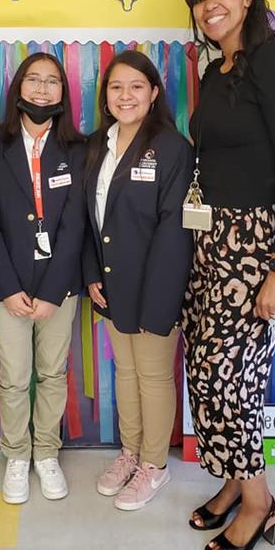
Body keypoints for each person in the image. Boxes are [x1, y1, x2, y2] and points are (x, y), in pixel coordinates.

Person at [181, 0, 275, 550]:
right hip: (214, 239)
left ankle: (261, 502)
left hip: (263, 244)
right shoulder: (217, 72)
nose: (209, 5)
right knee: (207, 372)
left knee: (230, 380)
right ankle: (236, 481)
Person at [83, 49, 193, 511]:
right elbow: (87, 219)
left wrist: (160, 301)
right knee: (124, 373)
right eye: (116, 87)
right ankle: (130, 454)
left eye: (135, 86)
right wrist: (91, 274)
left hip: (154, 289)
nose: (125, 96)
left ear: (153, 93)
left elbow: (175, 229)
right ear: (105, 96)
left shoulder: (171, 148)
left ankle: (154, 466)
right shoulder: (96, 145)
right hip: (110, 285)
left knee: (152, 376)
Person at [0, 52, 86, 504]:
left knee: (52, 372)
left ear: (63, 93)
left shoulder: (79, 150)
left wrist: (53, 290)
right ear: (18, 88)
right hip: (7, 285)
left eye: (52, 82)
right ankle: (17, 456)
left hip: (58, 287)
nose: (42, 89)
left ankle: (46, 451)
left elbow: (77, 225)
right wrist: (5, 286)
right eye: (33, 80)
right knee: (14, 375)